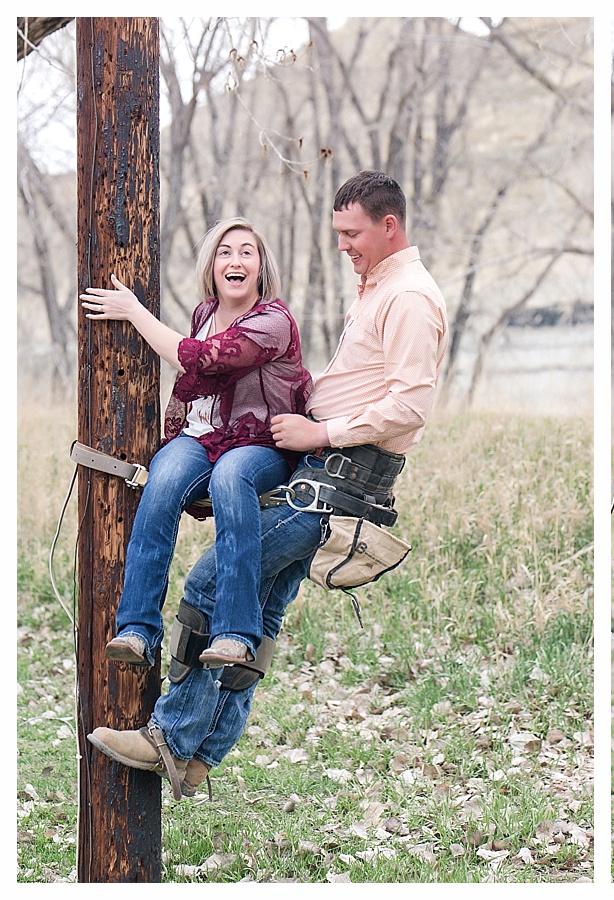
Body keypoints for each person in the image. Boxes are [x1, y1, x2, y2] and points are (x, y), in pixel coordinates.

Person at [88, 170, 448, 799]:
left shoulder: (409, 297)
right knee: (264, 606)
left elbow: (410, 407)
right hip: (321, 472)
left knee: (211, 583)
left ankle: (171, 736)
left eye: (351, 233)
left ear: (389, 226)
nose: (342, 245)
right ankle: (202, 755)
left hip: (339, 477)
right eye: (337, 233)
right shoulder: (377, 289)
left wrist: (322, 432)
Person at [79, 218, 312, 672]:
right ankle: (138, 629)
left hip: (260, 441)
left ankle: (235, 634)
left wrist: (133, 310)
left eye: (247, 251)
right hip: (204, 436)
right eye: (225, 252)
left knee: (231, 477)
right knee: (162, 479)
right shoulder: (205, 314)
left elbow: (201, 358)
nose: (236, 260)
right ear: (212, 265)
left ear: (262, 267)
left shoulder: (272, 321)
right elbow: (198, 381)